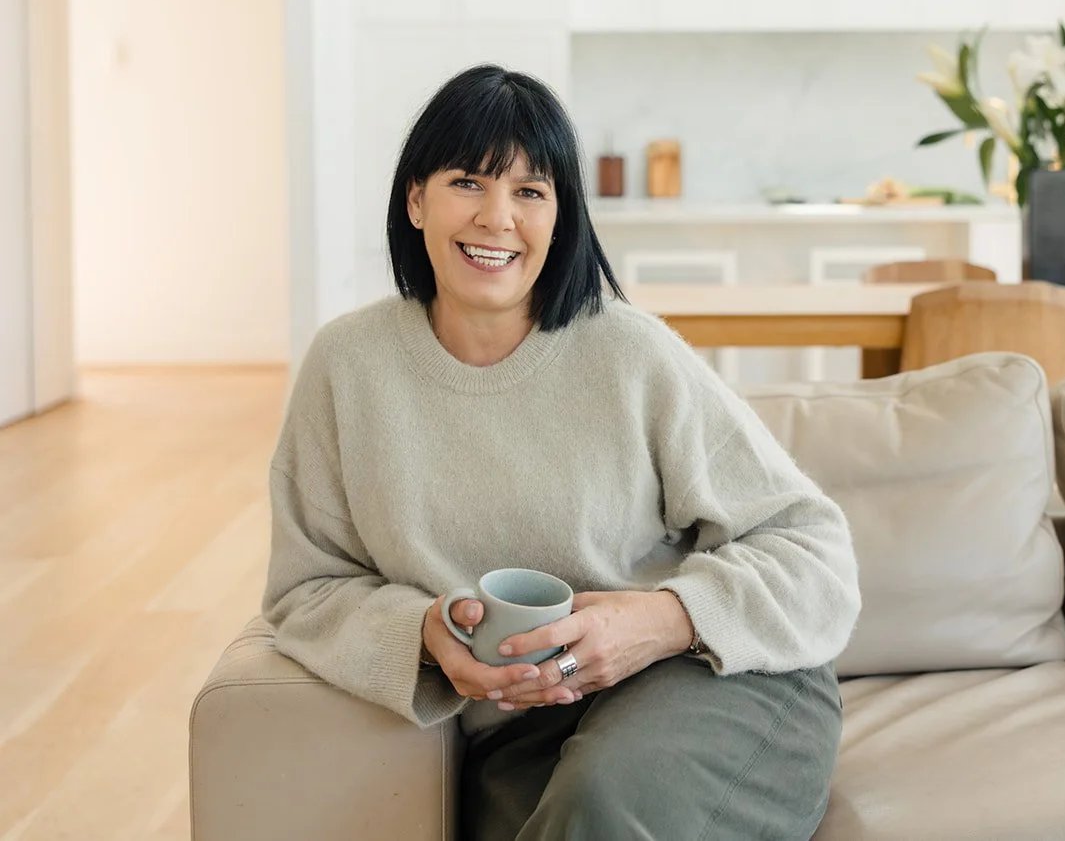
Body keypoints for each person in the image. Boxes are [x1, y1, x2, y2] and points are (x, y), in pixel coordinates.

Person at [262, 64, 861, 840]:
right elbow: (305, 590)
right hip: (529, 725)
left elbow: (814, 546)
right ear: (416, 199)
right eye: (468, 182)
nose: (497, 218)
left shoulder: (629, 354)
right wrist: (421, 633)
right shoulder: (347, 367)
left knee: (598, 805)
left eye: (530, 191)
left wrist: (664, 617)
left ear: (561, 215)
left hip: (709, 675)